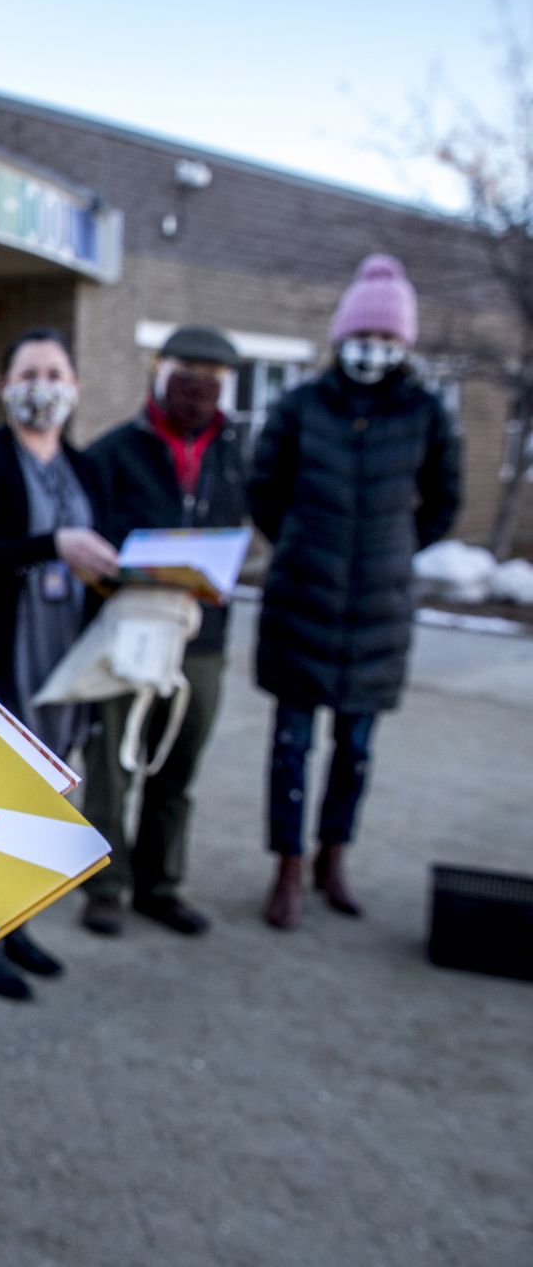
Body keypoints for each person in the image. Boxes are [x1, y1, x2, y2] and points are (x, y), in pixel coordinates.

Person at [249, 254, 461, 929]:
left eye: (387, 340)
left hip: (376, 611)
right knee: (289, 744)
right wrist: (299, 540)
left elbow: (443, 501)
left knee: (356, 747)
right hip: (300, 603)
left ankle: (331, 856)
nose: (372, 351)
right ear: (340, 339)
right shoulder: (299, 406)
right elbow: (264, 488)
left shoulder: (425, 413)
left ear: (403, 345)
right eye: (363, 337)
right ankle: (285, 864)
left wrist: (391, 549)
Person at [0, 327, 116, 1000]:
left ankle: (17, 924)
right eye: (29, 371)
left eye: (54, 372)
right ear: (4, 384)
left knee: (41, 802)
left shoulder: (86, 466)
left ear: (73, 385)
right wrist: (53, 543)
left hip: (64, 656)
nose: (43, 385)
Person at [76, 325, 246, 938]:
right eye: (187, 371)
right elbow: (88, 543)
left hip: (202, 637)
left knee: (177, 766)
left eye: (214, 376)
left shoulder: (233, 451)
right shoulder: (113, 452)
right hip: (129, 631)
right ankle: (105, 885)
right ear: (160, 371)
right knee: (113, 762)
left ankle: (160, 883)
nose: (199, 386)